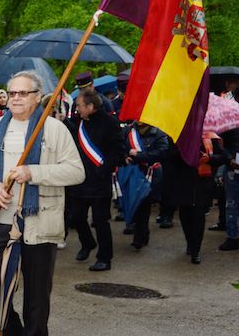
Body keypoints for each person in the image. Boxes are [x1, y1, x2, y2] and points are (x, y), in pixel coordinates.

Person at [0, 71, 84, 336]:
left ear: (37, 97)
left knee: (36, 293)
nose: (15, 98)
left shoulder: (54, 129)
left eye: (22, 93)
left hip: (38, 221)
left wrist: (34, 172)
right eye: (12, 93)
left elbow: (76, 172)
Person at [65, 89, 125, 271]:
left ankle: (104, 258)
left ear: (91, 106)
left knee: (100, 221)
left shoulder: (110, 123)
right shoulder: (78, 122)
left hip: (99, 182)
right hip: (80, 181)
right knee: (76, 217)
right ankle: (88, 243)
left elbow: (118, 151)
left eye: (79, 106)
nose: (76, 109)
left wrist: (104, 170)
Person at [161, 134, 228, 264]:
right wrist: (186, 150)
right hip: (182, 182)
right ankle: (190, 242)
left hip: (203, 183)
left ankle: (196, 250)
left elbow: (222, 157)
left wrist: (209, 158)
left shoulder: (210, 137)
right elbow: (169, 157)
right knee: (185, 215)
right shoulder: (177, 136)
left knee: (198, 216)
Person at [120, 121, 169, 250]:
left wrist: (140, 155)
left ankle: (139, 236)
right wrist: (125, 156)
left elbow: (162, 152)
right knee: (133, 203)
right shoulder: (128, 131)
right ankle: (139, 231)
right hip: (131, 173)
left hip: (149, 173)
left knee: (143, 205)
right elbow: (119, 146)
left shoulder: (158, 133)